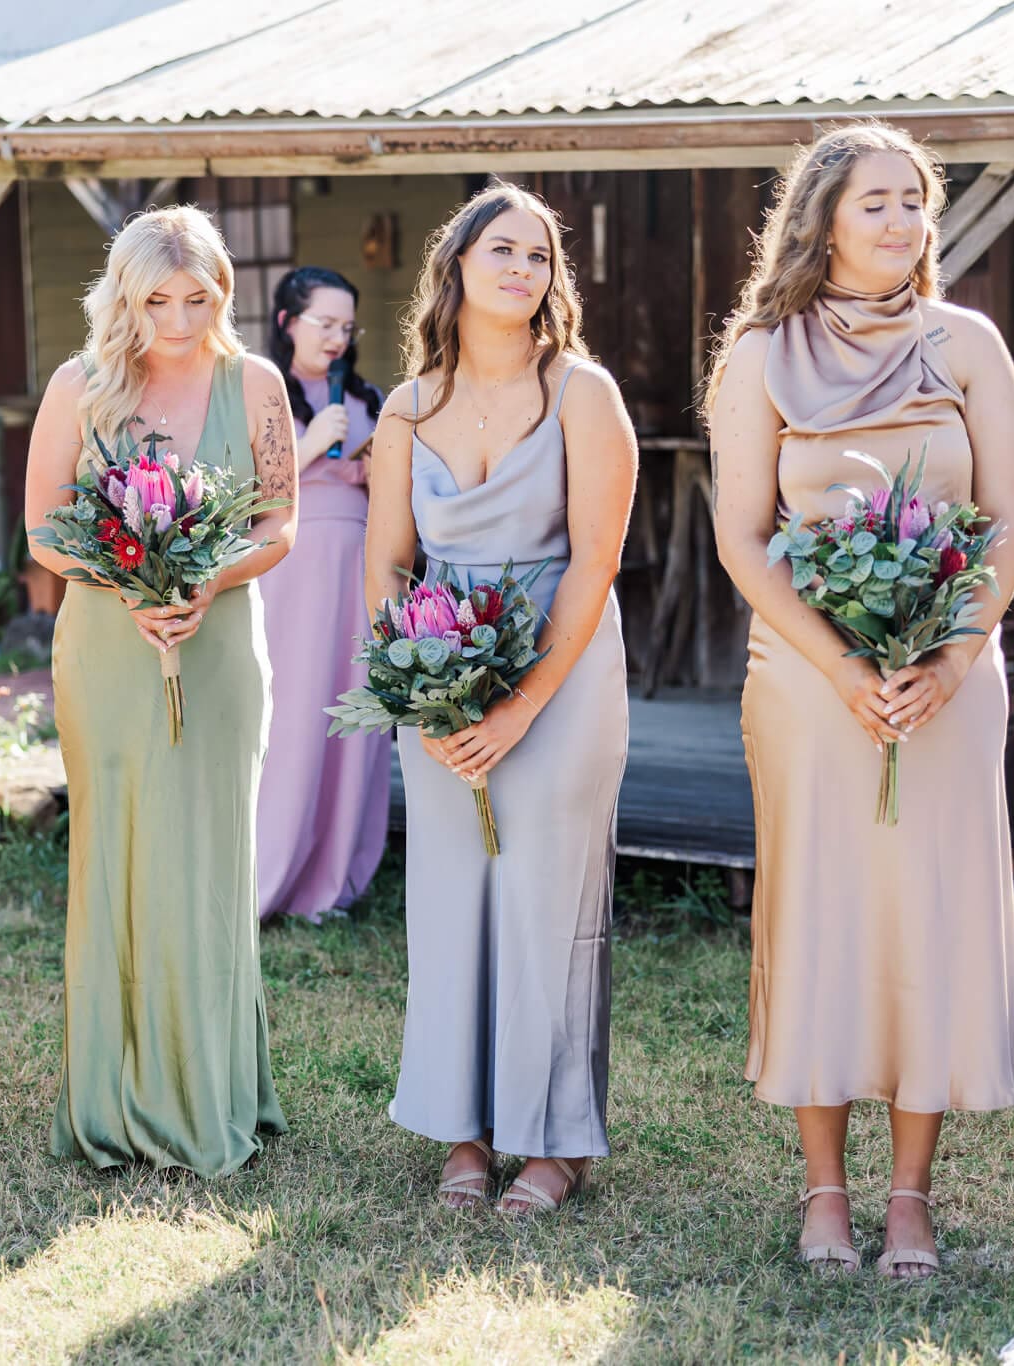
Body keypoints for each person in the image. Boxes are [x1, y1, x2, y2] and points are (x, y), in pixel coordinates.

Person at [706, 122, 1014, 1277]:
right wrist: (842, 667)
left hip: (946, 677)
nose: (899, 221)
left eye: (913, 200)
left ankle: (908, 1197)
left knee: (921, 923)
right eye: (874, 202)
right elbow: (744, 542)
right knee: (822, 919)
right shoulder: (757, 356)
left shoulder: (967, 345)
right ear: (822, 220)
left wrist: (946, 660)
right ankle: (823, 1191)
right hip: (807, 683)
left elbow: (1004, 522)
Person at [366, 185, 637, 1214]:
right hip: (434, 668)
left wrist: (519, 706)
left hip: (557, 667)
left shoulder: (582, 393)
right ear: (457, 266)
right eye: (502, 250)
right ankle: (464, 1132)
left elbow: (594, 563)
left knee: (544, 900)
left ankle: (553, 1140)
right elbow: (388, 564)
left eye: (539, 256)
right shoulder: (406, 407)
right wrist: (420, 695)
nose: (523, 269)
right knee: (450, 901)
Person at [23, 206, 298, 1177]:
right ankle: (113, 1096)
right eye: (156, 299)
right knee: (118, 854)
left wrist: (200, 584)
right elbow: (45, 532)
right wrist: (127, 587)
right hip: (106, 649)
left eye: (197, 297)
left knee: (207, 860)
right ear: (123, 296)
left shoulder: (255, 383)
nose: (178, 319)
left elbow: (278, 523)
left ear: (221, 292)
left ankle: (212, 1091)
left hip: (217, 648)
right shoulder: (79, 384)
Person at [254, 266, 392, 922]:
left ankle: (333, 883)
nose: (337, 338)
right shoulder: (260, 392)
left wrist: (373, 469)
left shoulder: (366, 397)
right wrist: (310, 446)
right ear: (287, 323)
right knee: (292, 717)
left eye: (346, 326)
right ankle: (271, 875)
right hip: (291, 574)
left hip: (359, 571)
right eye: (324, 324)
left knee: (352, 721)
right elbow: (242, 493)